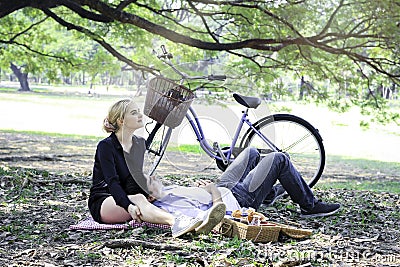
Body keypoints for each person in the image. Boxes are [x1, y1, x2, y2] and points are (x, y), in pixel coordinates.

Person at [87, 98, 225, 238]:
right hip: (105, 201)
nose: (140, 115)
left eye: (139, 112)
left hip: (129, 196)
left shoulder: (139, 144)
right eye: (134, 113)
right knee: (140, 199)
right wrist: (129, 206)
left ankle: (201, 216)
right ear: (121, 121)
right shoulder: (106, 146)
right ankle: (177, 223)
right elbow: (112, 183)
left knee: (160, 193)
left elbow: (134, 177)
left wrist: (149, 190)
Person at [213, 147, 341, 218]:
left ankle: (267, 195)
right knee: (279, 158)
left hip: (220, 187)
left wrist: (205, 187)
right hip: (236, 199)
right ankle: (310, 206)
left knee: (251, 152)